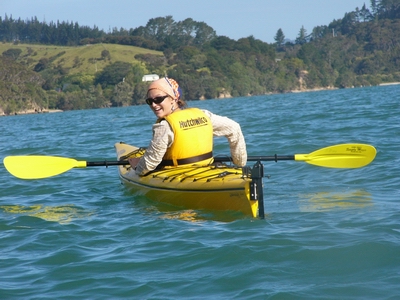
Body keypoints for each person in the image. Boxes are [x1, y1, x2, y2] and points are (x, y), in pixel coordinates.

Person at [129, 77, 247, 175]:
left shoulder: (165, 125)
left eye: (158, 99)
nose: (154, 105)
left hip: (179, 176)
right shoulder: (204, 115)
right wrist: (239, 164)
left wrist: (137, 169)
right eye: (150, 101)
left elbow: (150, 162)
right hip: (208, 170)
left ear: (173, 98)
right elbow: (234, 128)